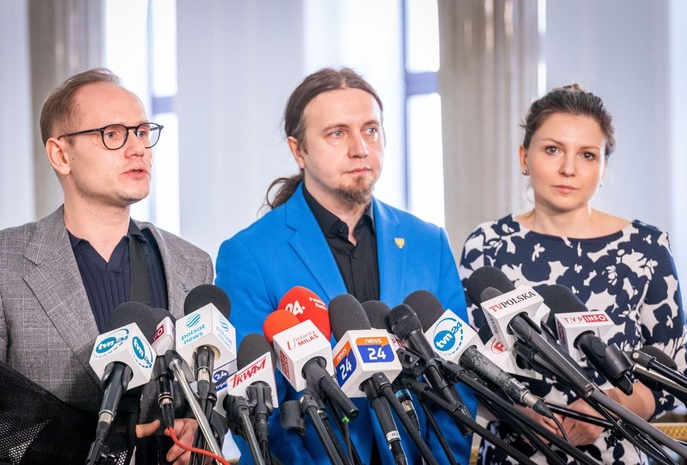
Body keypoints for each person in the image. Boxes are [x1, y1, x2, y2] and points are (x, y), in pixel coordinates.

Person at [0, 68, 213, 464]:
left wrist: (200, 427)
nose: (138, 148)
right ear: (61, 155)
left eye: (141, 132)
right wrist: (82, 443)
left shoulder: (192, 264)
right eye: (113, 134)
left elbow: (210, 395)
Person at [214, 67, 475, 465]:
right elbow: (256, 408)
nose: (360, 148)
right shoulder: (248, 254)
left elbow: (459, 379)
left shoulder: (428, 243)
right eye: (337, 133)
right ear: (298, 150)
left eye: (370, 130)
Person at [459, 84, 687, 465]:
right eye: (552, 149)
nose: (568, 168)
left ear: (604, 167)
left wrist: (609, 406)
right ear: (524, 157)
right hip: (513, 453)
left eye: (587, 154)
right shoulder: (486, 245)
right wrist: (517, 408)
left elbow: (671, 374)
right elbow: (463, 361)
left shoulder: (646, 248)